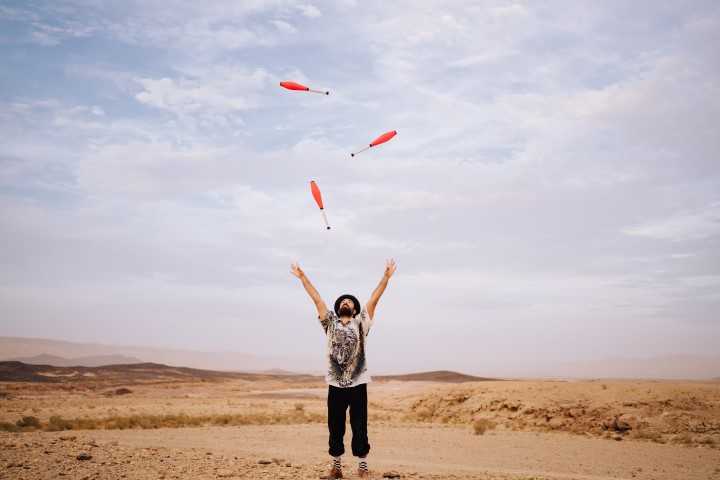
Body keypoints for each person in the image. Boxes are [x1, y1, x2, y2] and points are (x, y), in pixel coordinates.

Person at [291, 259, 397, 479]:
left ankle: (362, 467)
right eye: (344, 301)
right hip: (335, 384)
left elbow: (375, 300)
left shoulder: (361, 324)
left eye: (350, 302)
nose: (347, 303)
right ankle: (336, 467)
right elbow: (317, 299)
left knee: (360, 426)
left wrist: (385, 278)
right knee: (335, 426)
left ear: (355, 308)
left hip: (358, 383)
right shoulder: (330, 323)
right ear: (339, 308)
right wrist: (303, 278)